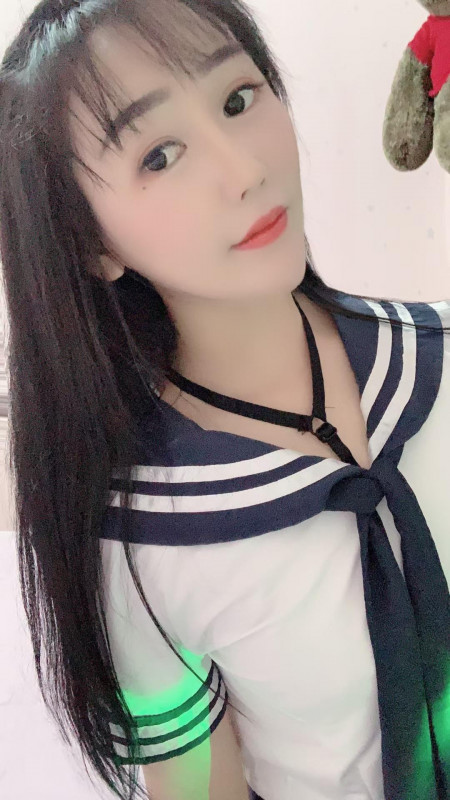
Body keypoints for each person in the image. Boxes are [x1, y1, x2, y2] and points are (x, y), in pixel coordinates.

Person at [0, 1, 449, 799]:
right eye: (160, 154)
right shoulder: (144, 537)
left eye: (239, 99)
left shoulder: (435, 358)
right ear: (89, 241)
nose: (243, 169)